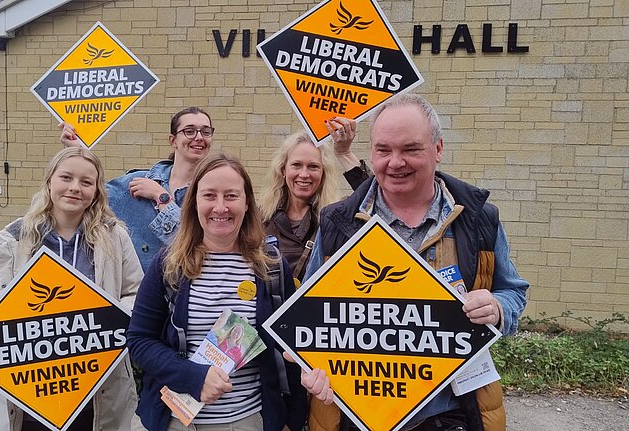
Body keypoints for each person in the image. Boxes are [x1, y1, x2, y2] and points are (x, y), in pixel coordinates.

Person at [301, 93, 529, 431]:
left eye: (410, 149)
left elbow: (513, 293)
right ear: (371, 152)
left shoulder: (479, 219)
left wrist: (497, 307)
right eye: (383, 150)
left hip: (451, 411)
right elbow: (308, 311)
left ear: (438, 149)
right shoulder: (339, 222)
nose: (395, 162)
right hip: (357, 413)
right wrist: (309, 361)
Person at [0, 147, 144, 431]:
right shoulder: (14, 238)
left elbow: (135, 294)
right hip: (30, 390)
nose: (75, 188)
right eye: (66, 177)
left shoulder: (115, 237)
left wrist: (99, 326)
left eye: (86, 182)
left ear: (97, 191)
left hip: (98, 387)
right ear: (50, 181)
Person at [127, 153, 308, 431]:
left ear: (247, 203)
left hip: (247, 421)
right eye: (209, 195)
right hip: (175, 421)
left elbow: (288, 347)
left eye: (231, 196)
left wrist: (293, 419)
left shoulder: (271, 266)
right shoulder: (169, 264)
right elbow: (140, 340)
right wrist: (193, 376)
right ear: (194, 202)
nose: (220, 207)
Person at [60, 107, 214, 272]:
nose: (199, 137)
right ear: (173, 140)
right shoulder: (135, 184)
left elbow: (193, 248)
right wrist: (77, 151)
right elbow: (90, 198)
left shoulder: (214, 195)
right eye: (189, 131)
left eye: (206, 132)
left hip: (190, 294)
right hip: (136, 295)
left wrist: (161, 197)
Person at [259, 131, 341, 282]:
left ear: (323, 173)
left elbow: (375, 199)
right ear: (283, 170)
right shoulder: (260, 218)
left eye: (313, 167)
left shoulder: (337, 220)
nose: (304, 174)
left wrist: (345, 153)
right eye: (296, 165)